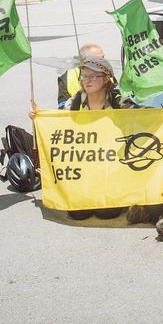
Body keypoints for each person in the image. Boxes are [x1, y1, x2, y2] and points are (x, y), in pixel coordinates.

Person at [33, 53, 130, 221]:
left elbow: (142, 118)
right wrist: (39, 117)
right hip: (85, 167)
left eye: (93, 76)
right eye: (85, 76)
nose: (88, 80)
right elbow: (59, 125)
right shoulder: (75, 102)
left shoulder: (118, 101)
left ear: (106, 78)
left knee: (106, 213)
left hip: (112, 166)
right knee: (78, 214)